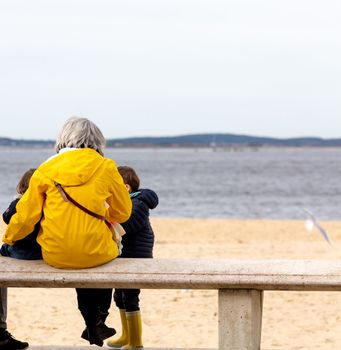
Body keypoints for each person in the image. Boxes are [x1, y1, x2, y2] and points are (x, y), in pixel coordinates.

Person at [2, 117, 132, 347]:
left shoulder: (46, 169)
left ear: (63, 139)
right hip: (97, 252)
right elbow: (122, 213)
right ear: (97, 141)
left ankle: (95, 320)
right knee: (104, 254)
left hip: (55, 255)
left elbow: (26, 217)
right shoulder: (107, 167)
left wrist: (9, 238)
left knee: (79, 253)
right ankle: (98, 318)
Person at [107, 166, 158, 349]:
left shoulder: (138, 204)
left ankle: (136, 342)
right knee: (119, 296)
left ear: (126, 188)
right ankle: (126, 335)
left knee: (130, 297)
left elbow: (126, 226)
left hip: (137, 256)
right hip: (126, 255)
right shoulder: (129, 203)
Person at [1, 168, 42, 260]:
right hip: (40, 250)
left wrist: (17, 199)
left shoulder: (18, 203)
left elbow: (6, 217)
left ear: (22, 185)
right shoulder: (45, 205)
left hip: (20, 250)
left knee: (5, 247)